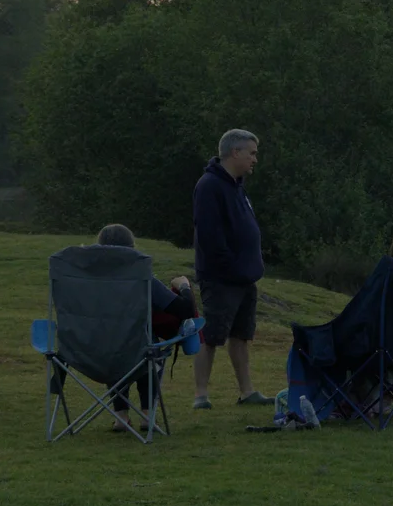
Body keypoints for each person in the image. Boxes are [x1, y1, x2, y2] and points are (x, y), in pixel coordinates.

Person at [93, 223, 197, 430]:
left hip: (93, 352)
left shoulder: (83, 281)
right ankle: (147, 415)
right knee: (149, 349)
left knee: (116, 346)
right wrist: (184, 285)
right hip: (139, 351)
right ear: (131, 250)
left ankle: (120, 416)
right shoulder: (141, 279)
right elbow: (185, 310)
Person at [192, 128, 267, 409]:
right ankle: (201, 395)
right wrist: (233, 268)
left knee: (241, 336)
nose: (254, 160)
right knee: (210, 336)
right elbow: (211, 237)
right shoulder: (210, 186)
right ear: (235, 152)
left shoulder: (237, 186)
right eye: (252, 153)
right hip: (221, 278)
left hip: (245, 278)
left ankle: (247, 392)